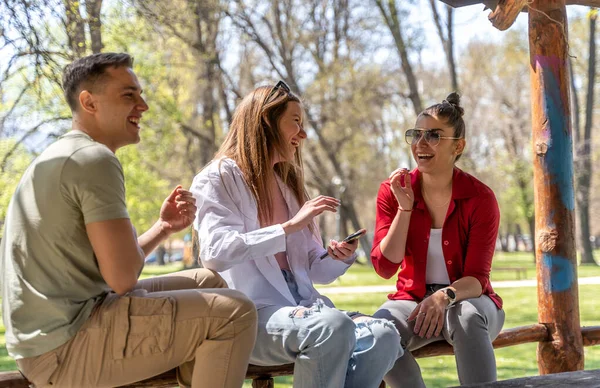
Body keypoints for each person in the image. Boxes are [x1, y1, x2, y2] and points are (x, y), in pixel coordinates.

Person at [0, 53, 257, 388]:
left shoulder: (63, 155)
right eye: (129, 95)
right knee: (235, 313)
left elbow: (112, 269)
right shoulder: (94, 159)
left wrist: (163, 228)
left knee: (207, 279)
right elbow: (122, 278)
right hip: (64, 350)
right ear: (88, 102)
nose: (144, 105)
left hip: (48, 338)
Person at [191, 81, 401, 388]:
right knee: (331, 327)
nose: (303, 134)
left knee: (383, 335)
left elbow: (315, 269)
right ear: (266, 121)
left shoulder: (287, 185)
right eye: (296, 122)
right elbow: (214, 252)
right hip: (252, 316)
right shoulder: (217, 178)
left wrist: (337, 256)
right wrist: (288, 227)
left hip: (304, 309)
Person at [371, 93, 505, 387]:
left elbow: (476, 279)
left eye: (433, 136)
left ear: (458, 145)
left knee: (466, 316)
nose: (421, 143)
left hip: (468, 300)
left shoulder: (480, 198)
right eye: (416, 135)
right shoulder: (392, 191)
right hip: (412, 301)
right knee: (377, 333)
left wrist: (443, 296)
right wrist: (405, 208)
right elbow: (384, 267)